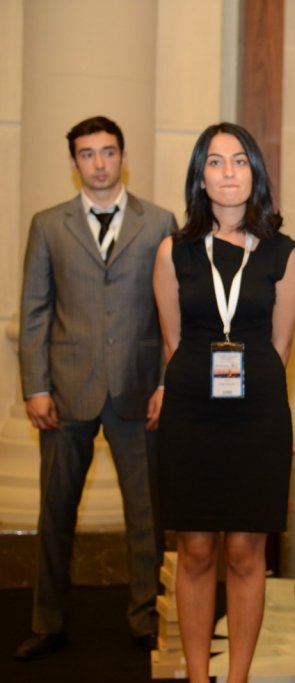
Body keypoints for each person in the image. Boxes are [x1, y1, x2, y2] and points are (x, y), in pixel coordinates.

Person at [16, 116, 177, 660]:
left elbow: (172, 312)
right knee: (55, 514)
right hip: (65, 394)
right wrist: (35, 387)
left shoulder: (159, 223)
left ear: (123, 157)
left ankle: (144, 618)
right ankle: (47, 622)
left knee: (146, 517)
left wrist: (166, 383)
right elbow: (35, 311)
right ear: (73, 163)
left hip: (138, 390)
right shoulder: (48, 225)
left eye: (108, 152)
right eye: (87, 154)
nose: (99, 163)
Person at [153, 122, 295, 683]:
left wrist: (248, 383)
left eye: (239, 160)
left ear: (254, 172)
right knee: (194, 551)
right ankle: (197, 677)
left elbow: (281, 346)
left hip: (258, 418)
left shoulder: (284, 253)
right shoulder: (174, 251)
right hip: (191, 413)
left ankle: (236, 677)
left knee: (244, 552)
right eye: (214, 162)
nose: (228, 172)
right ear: (200, 177)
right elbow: (172, 340)